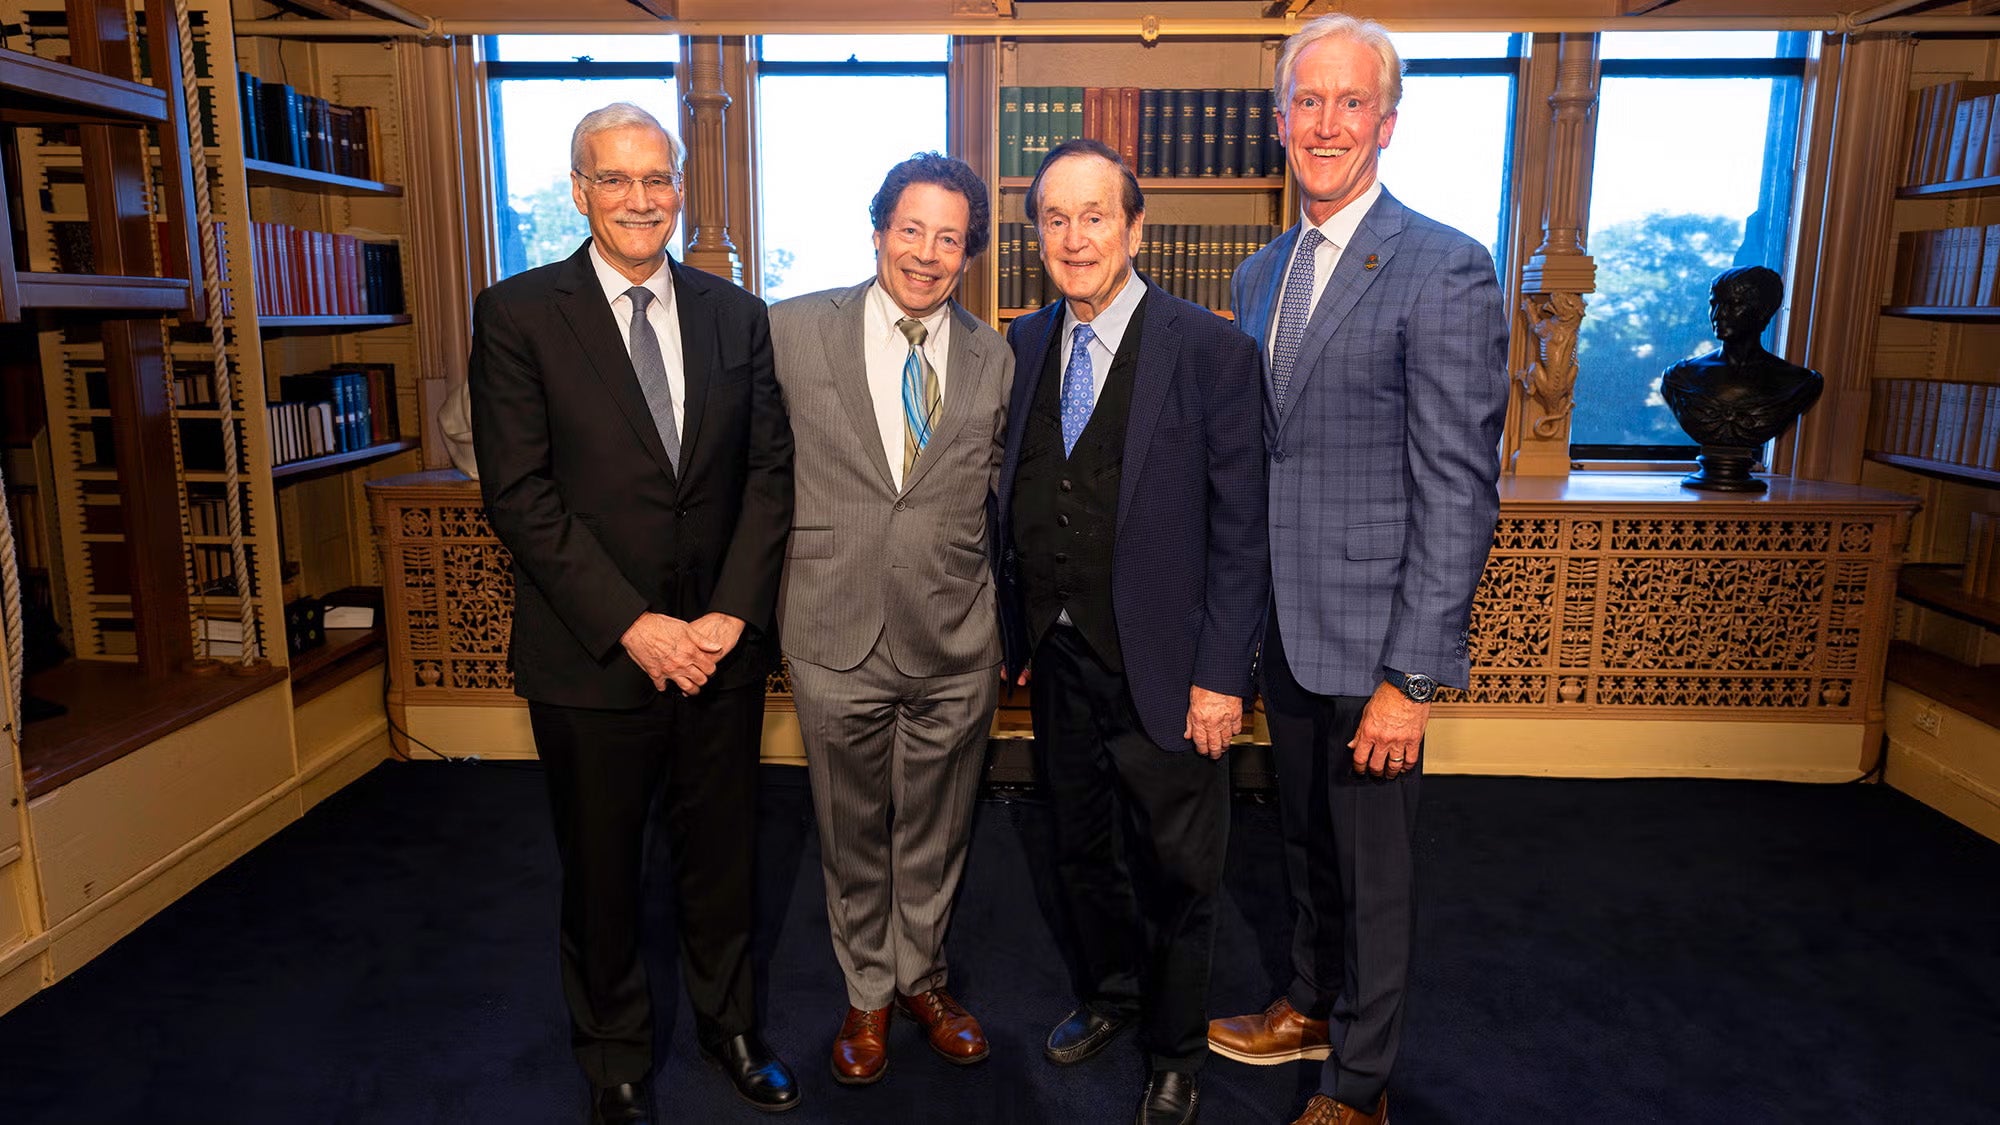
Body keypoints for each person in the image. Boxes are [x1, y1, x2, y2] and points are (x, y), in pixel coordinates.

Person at [468, 102, 798, 1124]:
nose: (639, 199)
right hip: (591, 658)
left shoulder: (737, 316)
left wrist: (731, 616)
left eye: (656, 178)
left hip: (718, 653)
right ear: (579, 192)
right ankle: (613, 1052)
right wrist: (635, 625)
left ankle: (729, 1025)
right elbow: (519, 497)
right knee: (604, 871)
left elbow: (768, 478)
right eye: (614, 180)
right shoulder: (518, 315)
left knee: (722, 859)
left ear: (680, 186)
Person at [1208, 15, 1509, 1125]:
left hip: (1377, 646)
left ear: (1385, 121)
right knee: (1296, 844)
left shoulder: (1443, 267)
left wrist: (1412, 678)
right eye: (1306, 102)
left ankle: (1363, 1083)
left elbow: (1456, 489)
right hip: (1283, 634)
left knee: (1373, 874)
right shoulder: (1258, 272)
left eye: (1349, 103)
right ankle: (1307, 1003)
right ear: (1279, 120)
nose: (1325, 124)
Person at [995, 138, 1268, 1125]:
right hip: (1056, 659)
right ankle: (1109, 996)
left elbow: (1242, 533)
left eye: (1094, 215)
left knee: (1179, 868)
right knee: (1076, 849)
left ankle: (1174, 1050)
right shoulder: (1021, 345)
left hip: (1170, 670)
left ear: (1133, 227)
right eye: (1055, 219)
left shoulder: (1210, 350)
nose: (1075, 237)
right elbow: (1010, 503)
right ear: (1037, 236)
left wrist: (1221, 678)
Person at [767, 153, 1014, 1086]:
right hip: (832, 628)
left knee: (940, 827)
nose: (926, 253)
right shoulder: (791, 331)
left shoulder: (998, 354)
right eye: (911, 229)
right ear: (878, 230)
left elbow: (1000, 495)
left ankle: (923, 976)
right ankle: (867, 990)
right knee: (851, 825)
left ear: (969, 255)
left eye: (949, 238)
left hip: (954, 637)